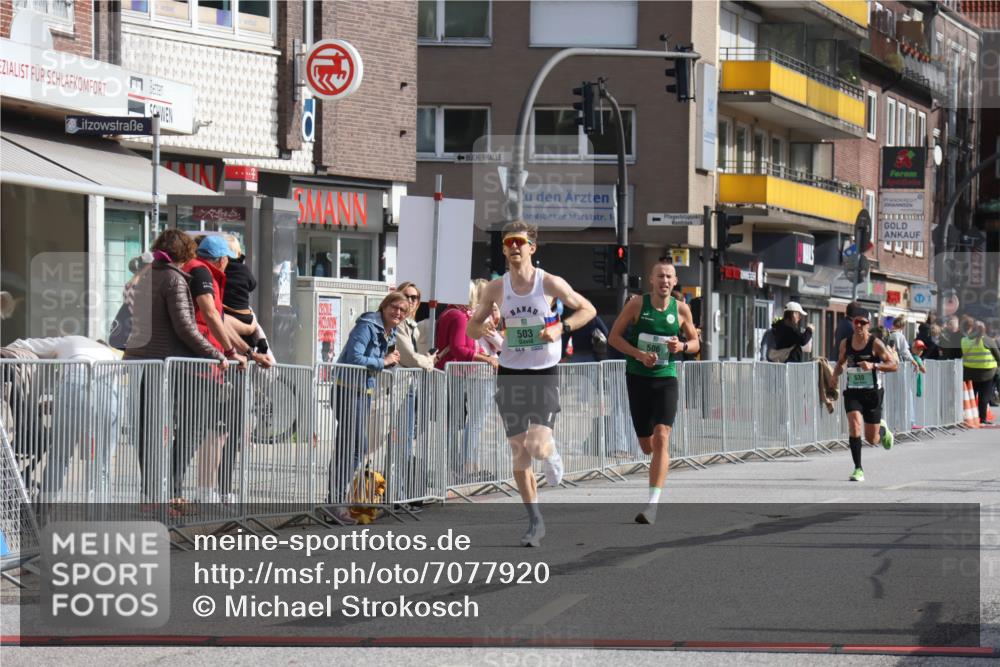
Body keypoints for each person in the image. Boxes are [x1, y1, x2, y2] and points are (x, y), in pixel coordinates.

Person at [466, 221, 596, 547]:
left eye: (519, 242)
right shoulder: (495, 288)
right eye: (508, 242)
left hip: (543, 371)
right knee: (519, 453)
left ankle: (551, 454)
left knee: (536, 447)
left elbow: (588, 310)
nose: (513, 247)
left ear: (531, 248)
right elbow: (471, 329)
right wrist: (482, 325)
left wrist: (560, 328)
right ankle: (535, 521)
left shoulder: (548, 282)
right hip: (510, 371)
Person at [124, 230, 228, 507]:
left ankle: (151, 496)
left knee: (148, 432)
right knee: (186, 428)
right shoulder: (174, 278)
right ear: (185, 254)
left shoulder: (146, 276)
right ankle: (170, 493)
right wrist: (217, 353)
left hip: (139, 361)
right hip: (165, 363)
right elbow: (185, 327)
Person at [608, 258, 699, 525]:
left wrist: (681, 347)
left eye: (669, 276)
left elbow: (695, 342)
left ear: (674, 281)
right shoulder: (637, 304)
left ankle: (652, 505)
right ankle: (651, 468)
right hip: (638, 378)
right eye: (660, 276)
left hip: (666, 379)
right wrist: (638, 354)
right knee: (647, 445)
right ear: (651, 279)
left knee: (662, 437)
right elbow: (614, 337)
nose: (665, 281)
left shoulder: (681, 310)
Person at [329, 292, 408, 523]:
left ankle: (338, 498)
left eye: (403, 310)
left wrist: (390, 361)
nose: (398, 313)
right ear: (384, 306)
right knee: (348, 446)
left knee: (358, 446)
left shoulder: (389, 331)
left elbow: (382, 362)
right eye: (394, 307)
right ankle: (334, 502)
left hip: (363, 391)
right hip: (348, 388)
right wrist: (383, 362)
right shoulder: (367, 326)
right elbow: (354, 358)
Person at [6, 336, 119, 499]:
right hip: (110, 394)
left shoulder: (70, 341)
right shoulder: (111, 354)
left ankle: (45, 509)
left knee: (59, 459)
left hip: (74, 387)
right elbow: (93, 391)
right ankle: (99, 516)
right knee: (102, 465)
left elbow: (22, 344)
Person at [436, 280, 499, 481]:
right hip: (458, 373)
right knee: (464, 424)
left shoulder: (450, 313)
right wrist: (487, 358)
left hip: (456, 373)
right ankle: (461, 468)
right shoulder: (459, 316)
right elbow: (459, 348)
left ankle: (457, 467)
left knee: (457, 424)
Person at [828, 310, 898, 482]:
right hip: (853, 392)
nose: (858, 325)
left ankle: (881, 429)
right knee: (854, 425)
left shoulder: (875, 344)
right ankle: (858, 468)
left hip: (872, 393)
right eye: (856, 322)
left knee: (872, 439)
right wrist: (834, 376)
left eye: (862, 322)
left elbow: (894, 365)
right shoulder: (846, 343)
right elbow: (840, 363)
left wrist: (873, 366)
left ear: (868, 324)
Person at [393, 281, 442, 496]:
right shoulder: (398, 323)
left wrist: (424, 360)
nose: (411, 301)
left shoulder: (412, 324)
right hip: (396, 387)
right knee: (397, 440)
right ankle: (395, 491)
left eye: (414, 298)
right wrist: (428, 362)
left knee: (406, 439)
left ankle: (401, 490)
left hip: (409, 386)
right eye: (407, 296)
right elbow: (410, 358)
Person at [960, 321, 1000, 426]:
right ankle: (982, 418)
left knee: (970, 396)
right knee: (984, 397)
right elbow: (998, 356)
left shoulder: (964, 340)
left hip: (969, 373)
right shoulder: (988, 340)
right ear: (984, 329)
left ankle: (967, 417)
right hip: (987, 373)